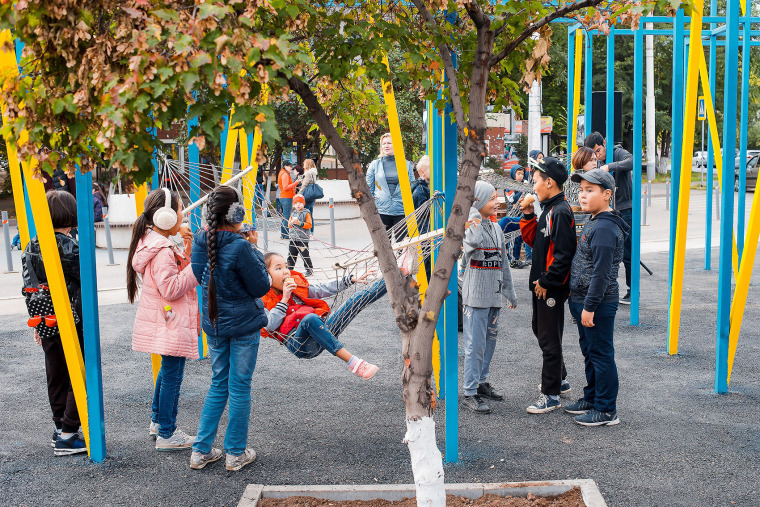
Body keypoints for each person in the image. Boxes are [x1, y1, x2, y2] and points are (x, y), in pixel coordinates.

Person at [190, 185, 271, 472]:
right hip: (244, 326)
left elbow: (200, 275)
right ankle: (235, 452)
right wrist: (254, 249)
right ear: (236, 213)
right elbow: (262, 286)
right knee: (239, 387)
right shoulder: (240, 246)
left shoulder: (200, 240)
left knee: (218, 383)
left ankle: (201, 451)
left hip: (214, 323)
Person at [126, 188, 199, 451]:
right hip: (171, 321)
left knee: (167, 373)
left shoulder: (154, 243)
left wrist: (188, 250)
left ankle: (158, 422)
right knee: (172, 375)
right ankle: (168, 433)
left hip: (165, 320)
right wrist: (197, 266)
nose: (183, 214)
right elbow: (170, 289)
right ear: (166, 217)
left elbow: (170, 276)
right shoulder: (162, 249)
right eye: (181, 209)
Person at [22, 190, 86, 455]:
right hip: (71, 318)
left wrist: (37, 322)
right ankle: (70, 433)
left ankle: (60, 426)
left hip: (44, 316)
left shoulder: (32, 244)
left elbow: (28, 285)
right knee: (77, 371)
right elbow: (84, 279)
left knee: (55, 372)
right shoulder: (69, 246)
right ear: (72, 214)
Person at [566, 169, 629, 426]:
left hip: (597, 304)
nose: (582, 195)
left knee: (601, 355)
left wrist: (589, 307)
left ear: (607, 195)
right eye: (581, 190)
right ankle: (592, 398)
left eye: (589, 190)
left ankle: (606, 409)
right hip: (584, 300)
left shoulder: (604, 227)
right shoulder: (595, 220)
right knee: (591, 353)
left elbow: (602, 274)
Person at [261, 252, 382, 378]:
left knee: (355, 299)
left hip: (320, 331)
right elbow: (268, 326)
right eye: (278, 268)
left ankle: (398, 276)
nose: (286, 271)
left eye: (286, 266)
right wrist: (285, 299)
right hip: (300, 344)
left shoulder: (297, 287)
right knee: (310, 318)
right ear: (266, 276)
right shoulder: (262, 299)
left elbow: (322, 289)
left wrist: (349, 280)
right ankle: (355, 363)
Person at [519, 157, 576, 414]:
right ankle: (559, 377)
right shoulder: (549, 209)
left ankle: (550, 393)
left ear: (550, 182)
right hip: (542, 284)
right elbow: (536, 243)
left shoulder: (561, 211)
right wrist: (529, 215)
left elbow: (564, 254)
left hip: (549, 287)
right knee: (541, 330)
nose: (533, 184)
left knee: (549, 338)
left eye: (537, 179)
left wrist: (546, 281)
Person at [460, 181, 518, 414]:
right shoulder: (471, 225)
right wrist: (472, 210)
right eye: (493, 198)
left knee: (489, 342)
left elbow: (504, 264)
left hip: (493, 296)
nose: (498, 202)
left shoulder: (496, 228)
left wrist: (510, 293)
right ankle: (470, 391)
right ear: (479, 201)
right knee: (475, 345)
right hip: (475, 297)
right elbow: (471, 242)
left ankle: (482, 381)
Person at [583, 132, 633, 305]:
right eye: (594, 154)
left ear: (604, 143)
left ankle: (632, 290)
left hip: (624, 208)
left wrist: (609, 166)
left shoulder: (616, 152)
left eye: (599, 151)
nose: (598, 156)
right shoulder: (597, 160)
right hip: (608, 209)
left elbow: (631, 161)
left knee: (628, 252)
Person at [366, 133, 415, 232]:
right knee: (383, 244)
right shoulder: (375, 165)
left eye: (389, 143)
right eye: (384, 144)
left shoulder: (406, 165)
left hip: (401, 210)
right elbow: (368, 188)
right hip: (381, 211)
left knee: (401, 245)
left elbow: (412, 186)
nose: (386, 146)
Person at [498, 164, 532, 268]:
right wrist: (523, 191)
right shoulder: (510, 186)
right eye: (518, 173)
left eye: (522, 174)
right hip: (512, 216)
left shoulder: (523, 186)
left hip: (521, 215)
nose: (521, 176)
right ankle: (512, 260)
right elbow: (512, 199)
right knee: (512, 238)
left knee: (519, 239)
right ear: (513, 174)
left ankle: (516, 260)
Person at [287, 194, 314, 276]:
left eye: (300, 202)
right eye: (296, 203)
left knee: (305, 255)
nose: (298, 205)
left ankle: (309, 269)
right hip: (293, 239)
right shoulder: (293, 213)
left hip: (302, 239)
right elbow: (288, 225)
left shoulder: (306, 213)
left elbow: (309, 225)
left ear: (303, 203)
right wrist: (291, 223)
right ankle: (289, 269)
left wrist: (299, 223)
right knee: (291, 255)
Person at [278, 162, 299, 239]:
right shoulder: (285, 174)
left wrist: (294, 187)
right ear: (285, 166)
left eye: (291, 166)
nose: (291, 168)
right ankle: (286, 235)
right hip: (286, 197)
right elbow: (285, 187)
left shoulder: (282, 173)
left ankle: (283, 235)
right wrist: (296, 183)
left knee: (285, 216)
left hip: (284, 197)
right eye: (289, 166)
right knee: (287, 217)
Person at [298, 159, 320, 229]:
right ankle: (311, 232)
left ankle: (307, 231)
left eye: (304, 163)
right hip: (312, 196)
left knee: (305, 214)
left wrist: (299, 194)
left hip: (306, 196)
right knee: (310, 214)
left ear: (307, 165)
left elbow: (304, 185)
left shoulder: (308, 173)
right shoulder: (313, 173)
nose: (303, 165)